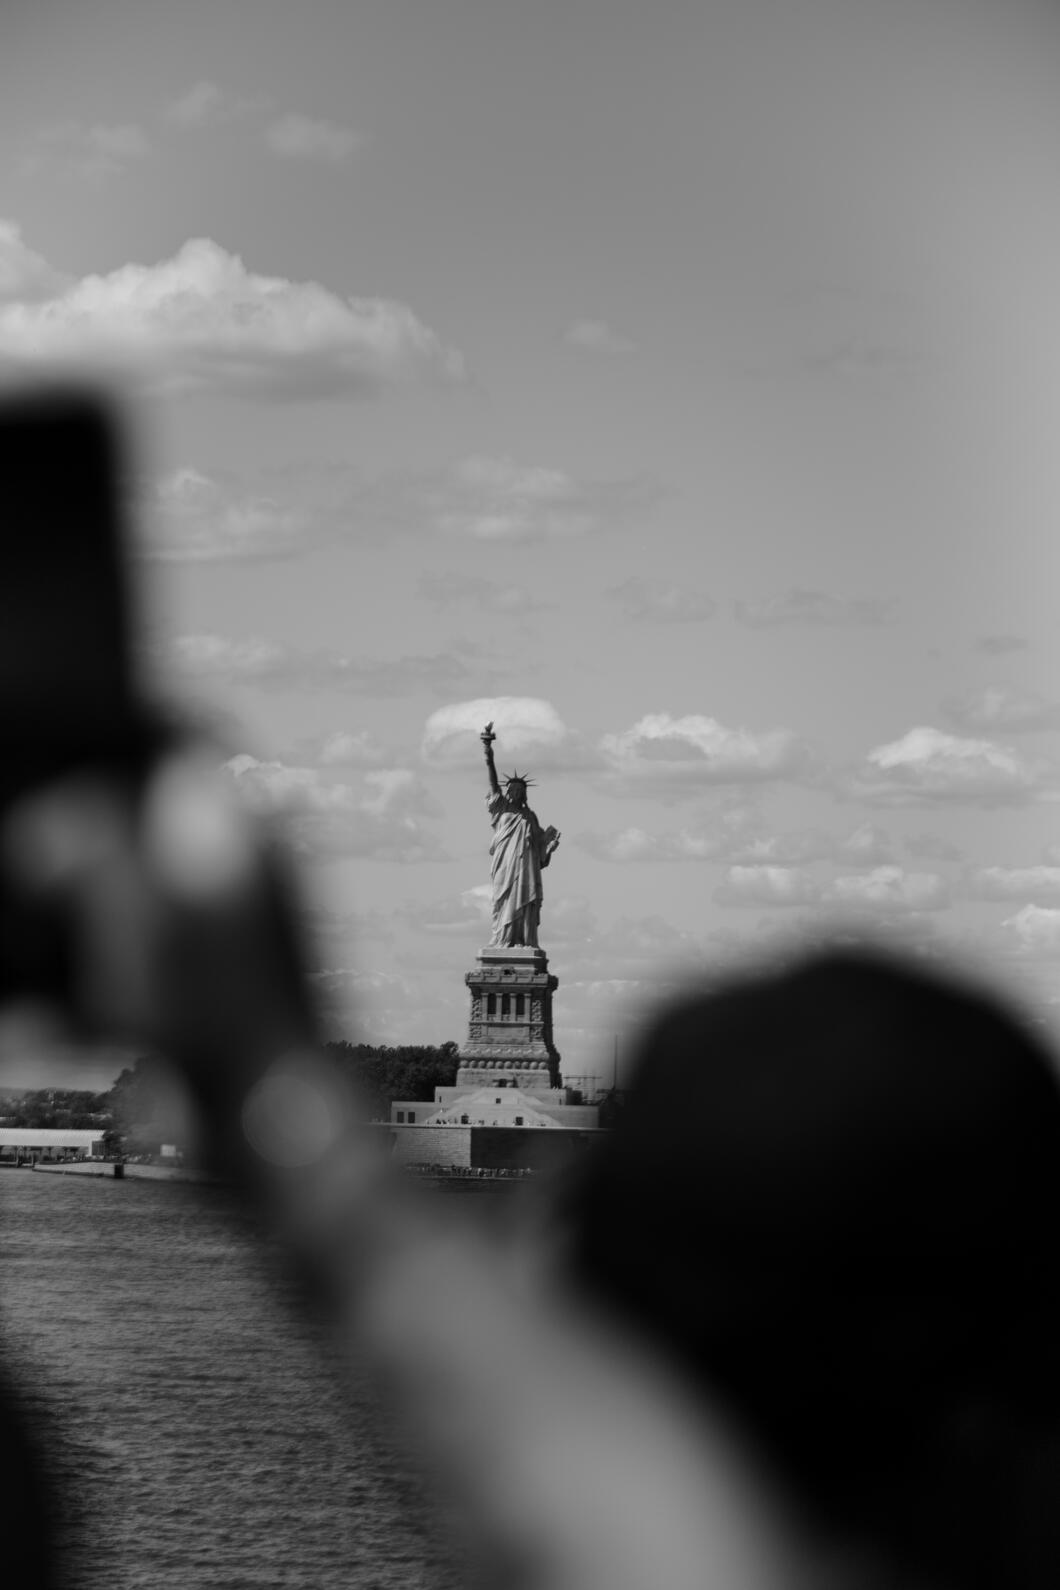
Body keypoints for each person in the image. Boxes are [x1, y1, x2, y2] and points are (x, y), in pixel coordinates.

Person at [480, 723, 560, 949]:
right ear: (507, 792)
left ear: (524, 794)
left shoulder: (530, 816)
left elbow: (538, 849)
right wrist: (488, 750)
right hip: (505, 865)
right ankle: (502, 939)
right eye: (511, 790)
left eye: (519, 790)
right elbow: (492, 780)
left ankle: (524, 940)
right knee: (502, 901)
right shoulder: (501, 808)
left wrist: (548, 846)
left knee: (524, 901)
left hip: (525, 867)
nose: (515, 793)